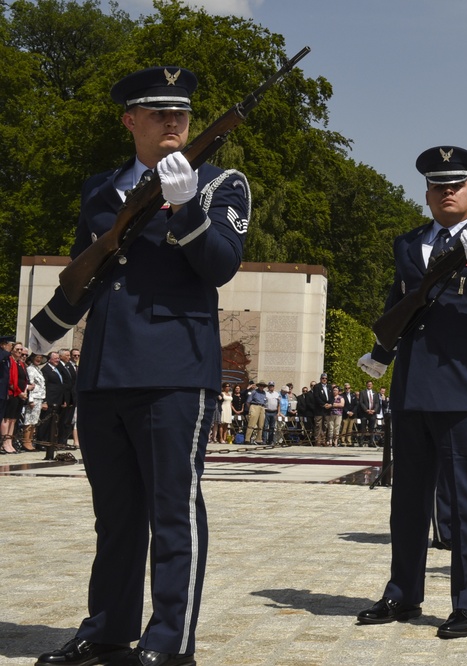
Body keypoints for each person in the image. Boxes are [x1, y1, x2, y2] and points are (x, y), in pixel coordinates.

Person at [33, 65, 249, 666]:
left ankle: (171, 640)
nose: (174, 120)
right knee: (116, 515)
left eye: (180, 112)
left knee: (173, 512)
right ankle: (107, 628)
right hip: (107, 369)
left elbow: (222, 265)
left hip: (176, 370)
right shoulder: (100, 190)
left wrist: (183, 212)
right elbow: (88, 269)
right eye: (158, 112)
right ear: (131, 120)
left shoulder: (219, 184)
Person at [355, 145, 467, 639]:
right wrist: (382, 352)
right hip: (412, 389)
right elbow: (401, 303)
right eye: (438, 186)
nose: (447, 192)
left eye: (456, 185)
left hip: (464, 389)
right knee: (406, 501)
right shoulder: (409, 244)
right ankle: (402, 592)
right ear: (427, 194)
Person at [24, 351, 47, 453]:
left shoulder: (38, 370)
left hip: (39, 398)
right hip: (33, 398)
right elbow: (30, 384)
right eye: (37, 357)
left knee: (34, 421)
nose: (39, 359)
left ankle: (30, 441)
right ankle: (26, 442)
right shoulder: (30, 369)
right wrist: (30, 400)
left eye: (40, 357)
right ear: (32, 358)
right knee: (29, 420)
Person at [312, 373, 334, 446]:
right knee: (318, 425)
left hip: (327, 410)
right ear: (320, 379)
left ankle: (323, 440)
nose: (324, 380)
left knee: (325, 425)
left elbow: (332, 397)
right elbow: (316, 397)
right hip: (319, 409)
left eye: (325, 378)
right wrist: (324, 404)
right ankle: (317, 440)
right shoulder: (317, 386)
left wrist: (330, 404)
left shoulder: (330, 387)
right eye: (323, 378)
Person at [357, 379, 382, 446]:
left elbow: (377, 403)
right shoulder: (362, 392)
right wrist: (366, 410)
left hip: (372, 413)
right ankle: (361, 441)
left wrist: (374, 410)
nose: (369, 385)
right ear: (366, 385)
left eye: (370, 384)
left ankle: (371, 442)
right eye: (368, 384)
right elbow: (361, 402)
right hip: (365, 413)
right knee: (363, 428)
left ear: (372, 385)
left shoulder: (375, 393)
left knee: (372, 428)